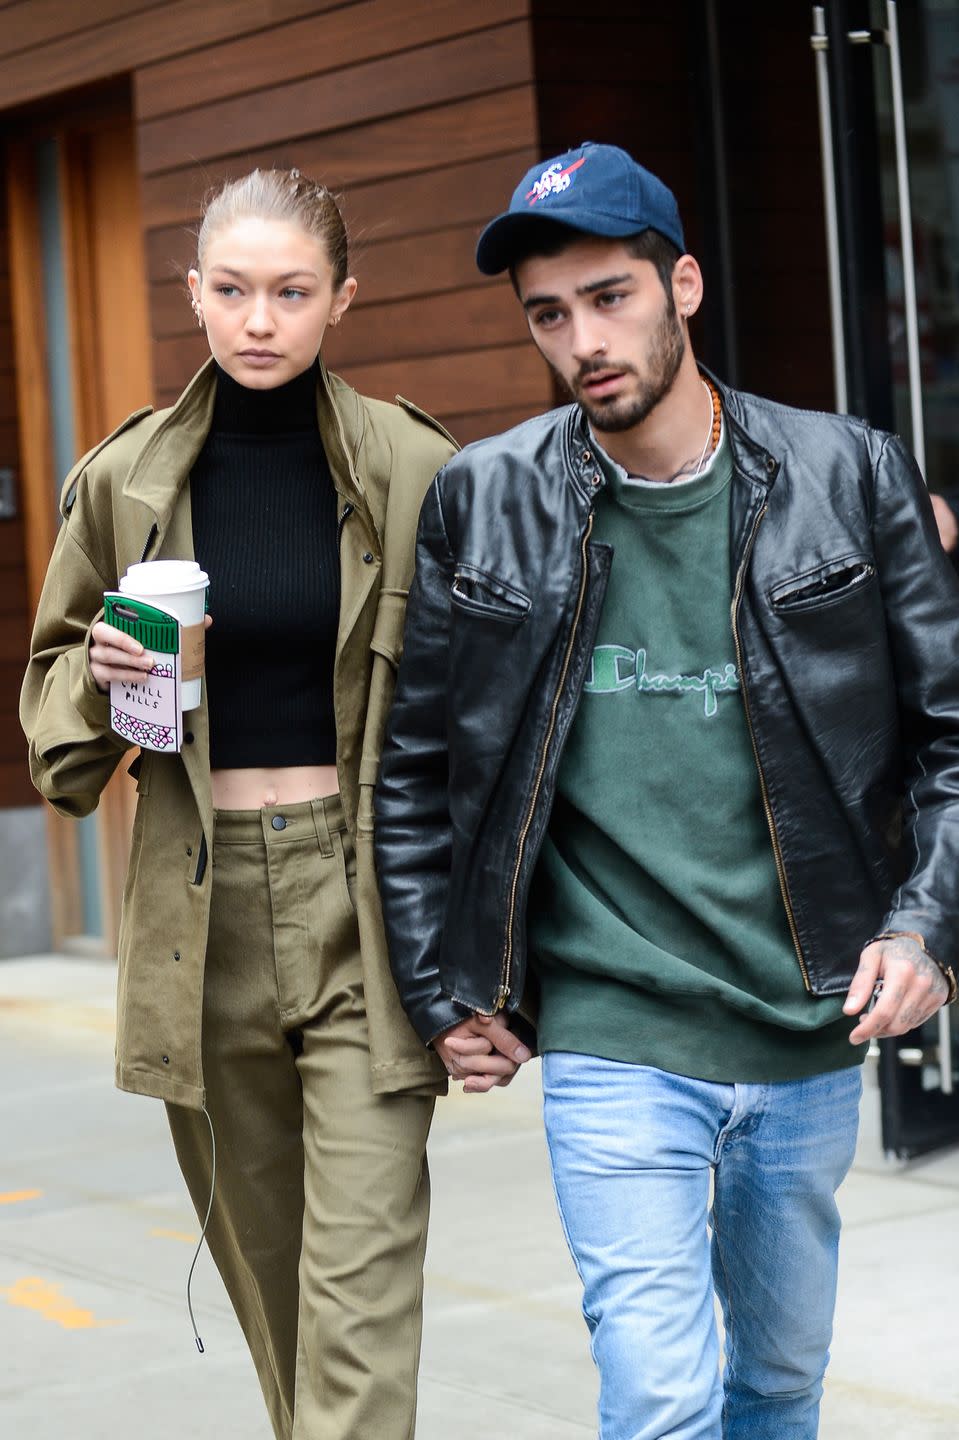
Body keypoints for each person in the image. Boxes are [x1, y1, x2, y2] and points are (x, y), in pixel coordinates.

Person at [373, 142, 959, 1439]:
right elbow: (415, 770)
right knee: (658, 1395)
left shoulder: (845, 475)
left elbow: (947, 739)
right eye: (546, 313)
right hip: (610, 1033)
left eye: (608, 296)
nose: (581, 338)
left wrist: (923, 925)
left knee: (771, 1388)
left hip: (799, 1027)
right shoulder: (486, 498)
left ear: (679, 285)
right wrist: (438, 987)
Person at [20, 167, 454, 1440]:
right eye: (231, 290)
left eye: (291, 292)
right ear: (193, 295)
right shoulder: (124, 480)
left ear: (340, 302)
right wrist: (100, 681)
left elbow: (486, 715)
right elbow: (55, 720)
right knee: (276, 1297)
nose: (259, 320)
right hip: (195, 910)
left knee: (361, 1295)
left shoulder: (416, 469)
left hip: (362, 897)